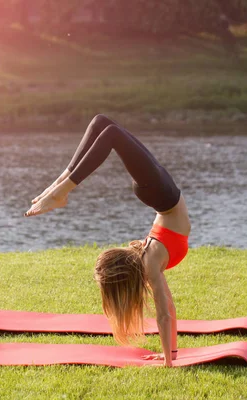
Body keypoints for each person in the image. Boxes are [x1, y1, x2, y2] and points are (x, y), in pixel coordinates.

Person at [24, 114, 191, 367]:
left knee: (103, 124)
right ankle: (58, 191)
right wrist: (170, 359)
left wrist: (169, 358)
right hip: (161, 192)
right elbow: (166, 313)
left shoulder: (149, 262)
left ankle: (58, 189)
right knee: (110, 131)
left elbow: (166, 313)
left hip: (161, 193)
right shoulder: (150, 265)